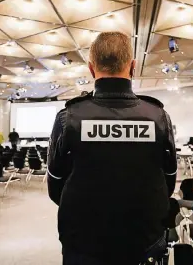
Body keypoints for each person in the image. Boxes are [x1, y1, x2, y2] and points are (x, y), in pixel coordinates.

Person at [47, 31, 177, 265]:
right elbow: (168, 181)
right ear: (133, 67)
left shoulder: (69, 117)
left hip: (83, 245)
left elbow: (55, 186)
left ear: (91, 68)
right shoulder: (158, 116)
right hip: (144, 243)